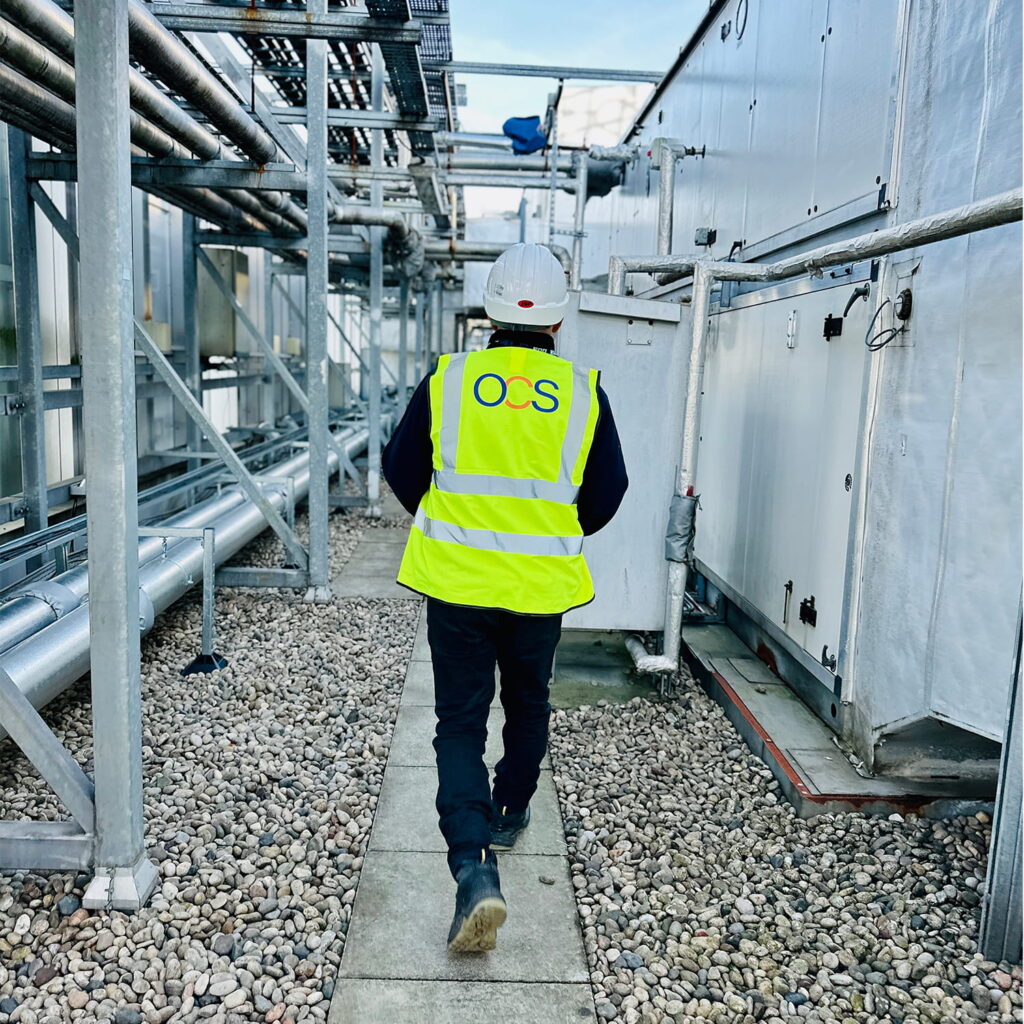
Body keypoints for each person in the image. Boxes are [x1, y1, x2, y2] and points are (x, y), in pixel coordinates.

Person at [382, 242, 628, 952]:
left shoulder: (450, 379)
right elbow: (607, 492)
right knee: (528, 704)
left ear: (489, 313)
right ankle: (510, 806)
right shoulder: (582, 392)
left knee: (458, 722)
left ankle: (471, 866)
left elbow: (402, 470)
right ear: (557, 322)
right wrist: (550, 529)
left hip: (457, 584)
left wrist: (452, 521)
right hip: (537, 589)